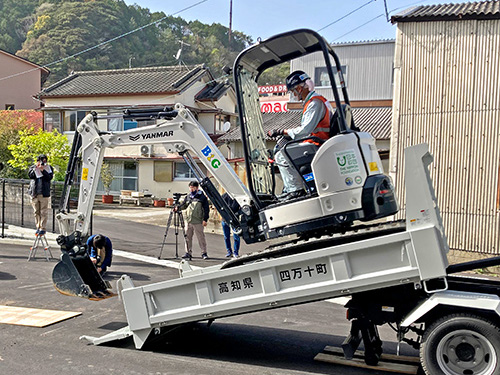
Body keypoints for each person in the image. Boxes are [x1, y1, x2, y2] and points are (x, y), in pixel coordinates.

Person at [268, 70, 334, 200]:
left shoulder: (315, 103)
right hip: (317, 141)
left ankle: (295, 190)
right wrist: (288, 136)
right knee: (285, 149)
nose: (294, 94)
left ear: (299, 88)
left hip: (317, 143)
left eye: (293, 91)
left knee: (281, 155)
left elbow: (304, 131)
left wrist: (282, 131)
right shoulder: (316, 101)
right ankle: (293, 188)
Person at [176, 181, 210, 260]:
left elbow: (206, 209)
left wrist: (205, 219)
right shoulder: (188, 197)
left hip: (198, 221)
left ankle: (204, 253)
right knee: (187, 237)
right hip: (188, 220)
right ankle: (188, 252)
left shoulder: (202, 197)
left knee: (201, 237)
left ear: (197, 188)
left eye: (193, 188)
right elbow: (184, 205)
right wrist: (178, 207)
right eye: (190, 188)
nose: (191, 189)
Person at [28, 154, 53, 235]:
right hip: (34, 193)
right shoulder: (33, 167)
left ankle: (43, 227)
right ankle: (38, 227)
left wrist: (43, 170)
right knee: (36, 211)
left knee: (43, 211)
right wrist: (36, 168)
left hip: (44, 193)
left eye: (44, 160)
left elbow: (49, 177)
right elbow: (30, 175)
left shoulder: (48, 168)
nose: (42, 162)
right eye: (41, 160)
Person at [221, 192, 240, 258]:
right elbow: (220, 207)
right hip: (225, 219)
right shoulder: (224, 196)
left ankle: (236, 252)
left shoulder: (237, 196)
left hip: (235, 220)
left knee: (236, 236)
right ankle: (229, 251)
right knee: (226, 236)